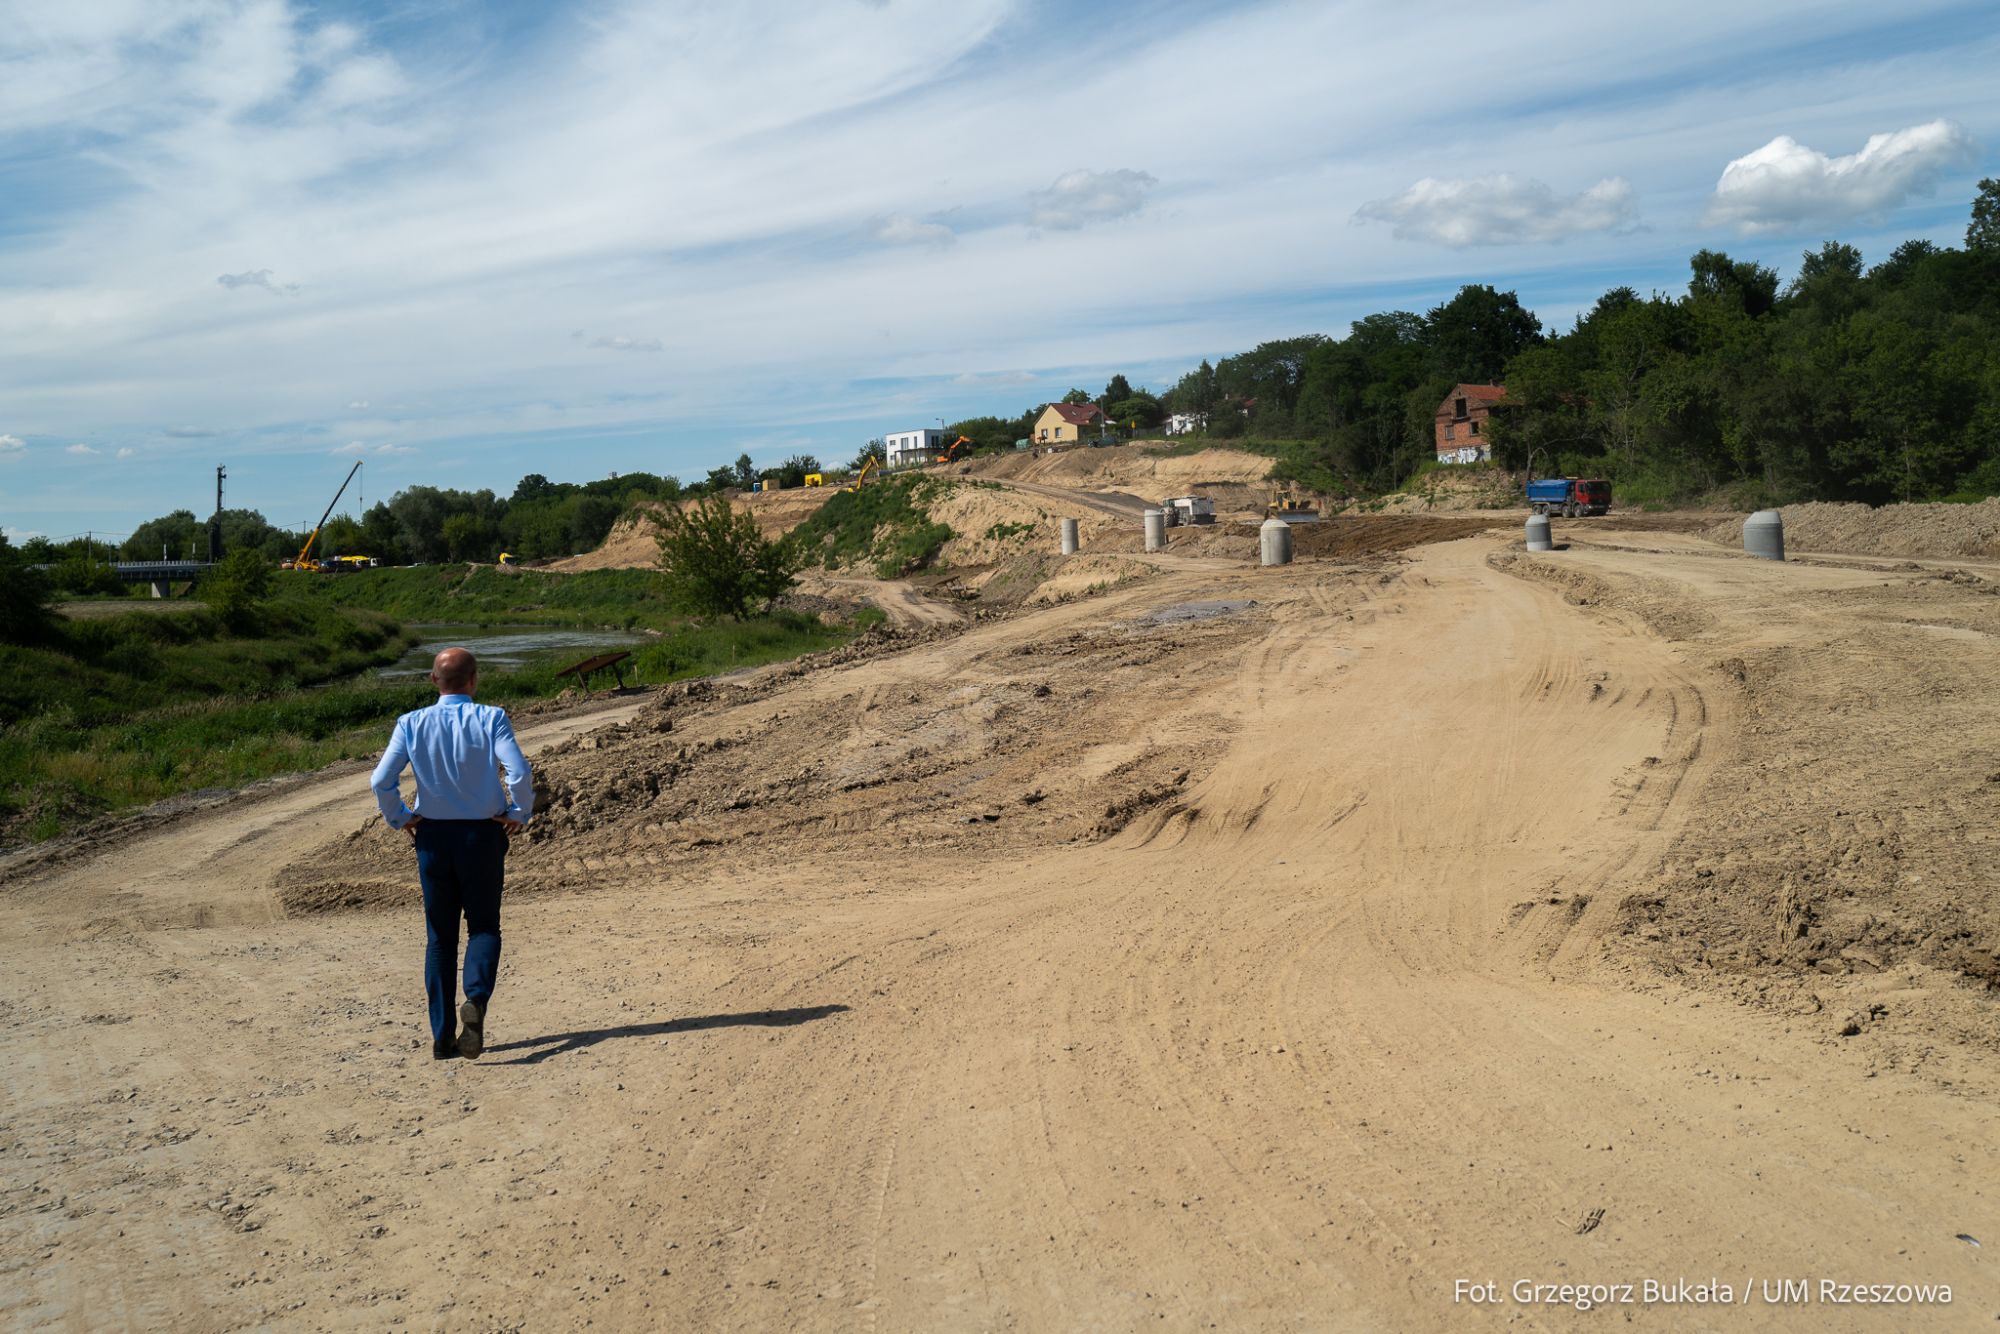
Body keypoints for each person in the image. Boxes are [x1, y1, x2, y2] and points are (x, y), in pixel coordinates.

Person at [370, 647, 533, 1060]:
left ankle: (442, 1039)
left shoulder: (410, 723)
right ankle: (475, 999)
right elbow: (519, 771)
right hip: (482, 836)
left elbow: (381, 780)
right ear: (474, 680)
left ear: (433, 680)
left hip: (433, 839)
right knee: (484, 927)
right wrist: (518, 812)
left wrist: (400, 817)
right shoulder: (492, 718)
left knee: (440, 939)